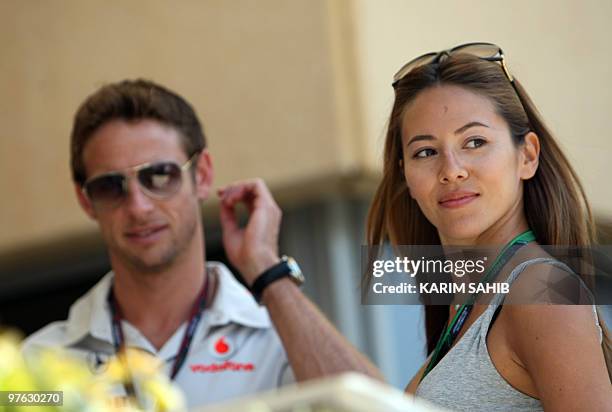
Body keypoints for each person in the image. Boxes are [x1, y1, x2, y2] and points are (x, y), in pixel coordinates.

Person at [22, 79, 381, 408]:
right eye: (109, 186)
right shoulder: (38, 363)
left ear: (203, 174)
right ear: (86, 201)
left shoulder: (282, 339)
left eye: (160, 175)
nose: (138, 206)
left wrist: (267, 271)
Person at [365, 43, 612, 411]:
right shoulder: (464, 313)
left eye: (475, 142)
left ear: (527, 155)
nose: (452, 170)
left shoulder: (542, 290)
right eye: (426, 152)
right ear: (405, 175)